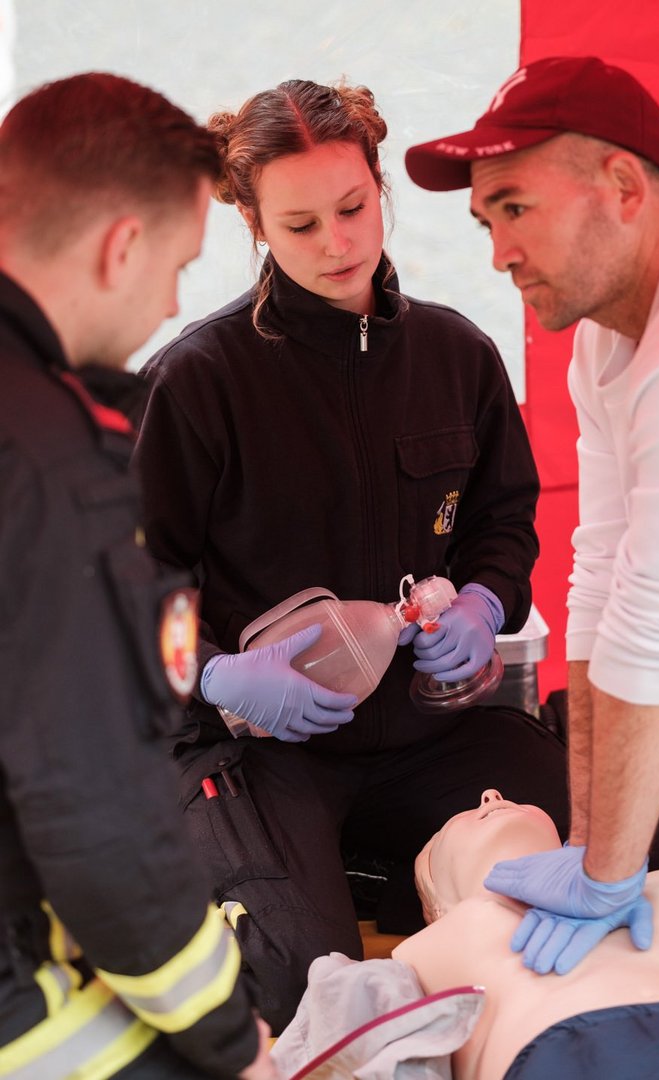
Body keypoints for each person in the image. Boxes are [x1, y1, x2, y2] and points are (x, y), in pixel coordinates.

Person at [132, 76, 573, 1034]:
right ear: (252, 222)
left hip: (434, 736)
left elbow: (505, 523)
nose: (337, 244)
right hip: (264, 752)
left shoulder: (458, 356)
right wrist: (218, 676)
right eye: (299, 225)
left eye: (352, 208)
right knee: (298, 984)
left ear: (380, 186)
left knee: (573, 897)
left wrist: (485, 607)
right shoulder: (194, 383)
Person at [404, 54, 659, 973]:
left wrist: (610, 873)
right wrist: (595, 844)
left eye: (515, 208)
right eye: (485, 221)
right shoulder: (606, 338)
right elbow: (600, 579)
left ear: (624, 186)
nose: (497, 252)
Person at [0, 72, 275, 1078]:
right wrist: (226, 1034)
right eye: (176, 267)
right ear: (121, 246)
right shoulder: (49, 468)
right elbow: (98, 821)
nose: (169, 304)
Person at [272, 792, 659, 1079]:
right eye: (450, 828)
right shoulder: (418, 952)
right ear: (434, 905)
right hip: (580, 1058)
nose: (491, 796)